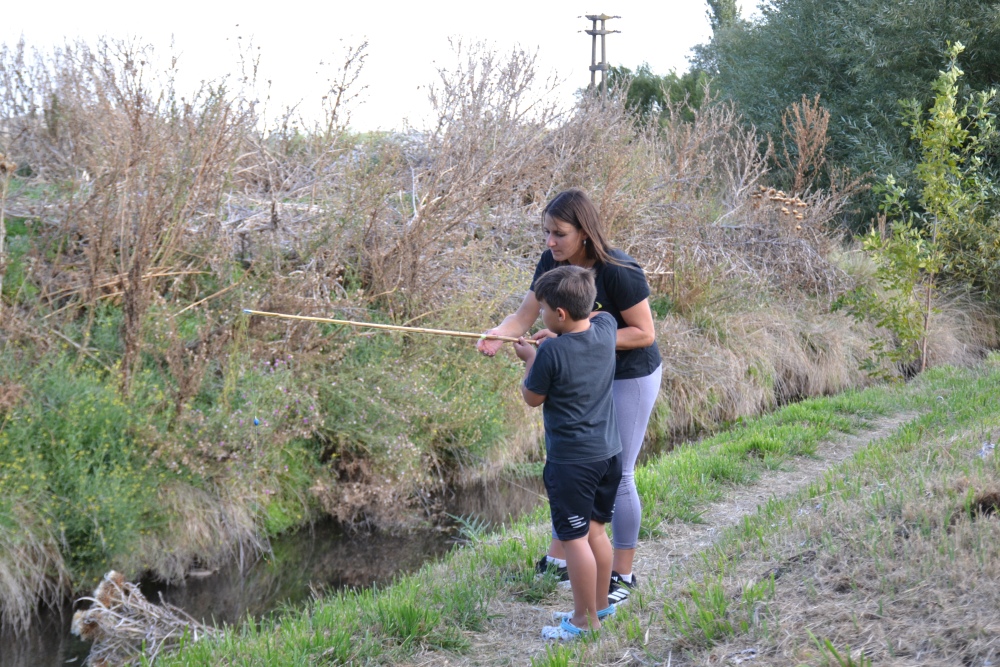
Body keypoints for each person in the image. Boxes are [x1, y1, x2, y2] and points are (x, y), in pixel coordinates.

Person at [478, 188, 662, 604]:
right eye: (546, 232)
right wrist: (498, 335)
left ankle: (623, 575)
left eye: (558, 233)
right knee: (575, 466)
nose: (549, 242)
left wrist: (578, 342)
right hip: (585, 373)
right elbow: (524, 317)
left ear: (584, 232)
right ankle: (562, 559)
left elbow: (644, 333)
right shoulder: (552, 263)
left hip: (630, 374)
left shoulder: (619, 270)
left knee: (619, 472)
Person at [512, 265, 621, 640]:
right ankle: (600, 605)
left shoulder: (550, 353)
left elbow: (532, 397)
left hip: (571, 463)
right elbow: (598, 315)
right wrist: (558, 332)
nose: (540, 315)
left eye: (544, 310)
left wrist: (530, 358)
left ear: (558, 314)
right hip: (609, 454)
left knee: (574, 540)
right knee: (596, 533)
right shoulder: (606, 330)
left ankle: (582, 621)